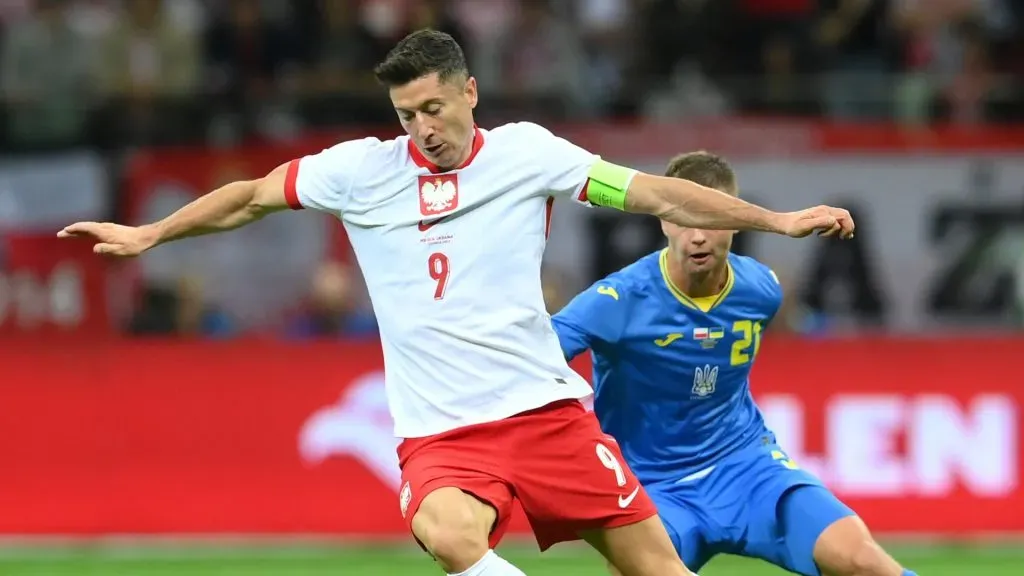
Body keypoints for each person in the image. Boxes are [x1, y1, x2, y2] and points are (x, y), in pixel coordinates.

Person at [58, 30, 854, 576]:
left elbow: (651, 190)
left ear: (470, 92)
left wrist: (776, 221)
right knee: (448, 535)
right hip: (443, 432)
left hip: (548, 415)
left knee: (656, 567)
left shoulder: (527, 155)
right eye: (406, 114)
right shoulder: (361, 172)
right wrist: (151, 234)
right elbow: (252, 197)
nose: (421, 128)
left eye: (433, 108)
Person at [551, 151, 914, 576]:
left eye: (711, 219)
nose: (698, 236)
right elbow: (536, 355)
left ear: (736, 220)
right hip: (652, 489)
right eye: (684, 218)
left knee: (864, 561)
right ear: (662, 219)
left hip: (746, 468)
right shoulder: (616, 301)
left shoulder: (760, 290)